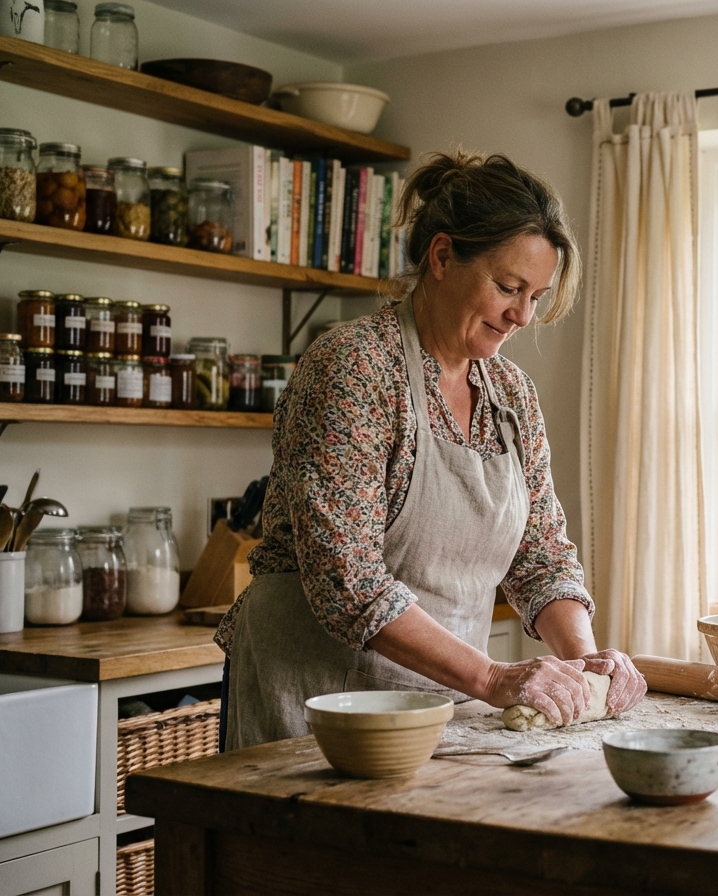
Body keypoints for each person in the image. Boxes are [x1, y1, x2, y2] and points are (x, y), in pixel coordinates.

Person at [216, 151, 646, 750]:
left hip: (451, 704)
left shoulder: (511, 396)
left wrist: (585, 665)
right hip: (317, 708)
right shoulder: (356, 367)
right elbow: (349, 581)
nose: (521, 315)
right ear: (442, 257)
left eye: (537, 296)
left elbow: (541, 556)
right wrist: (493, 677)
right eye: (507, 287)